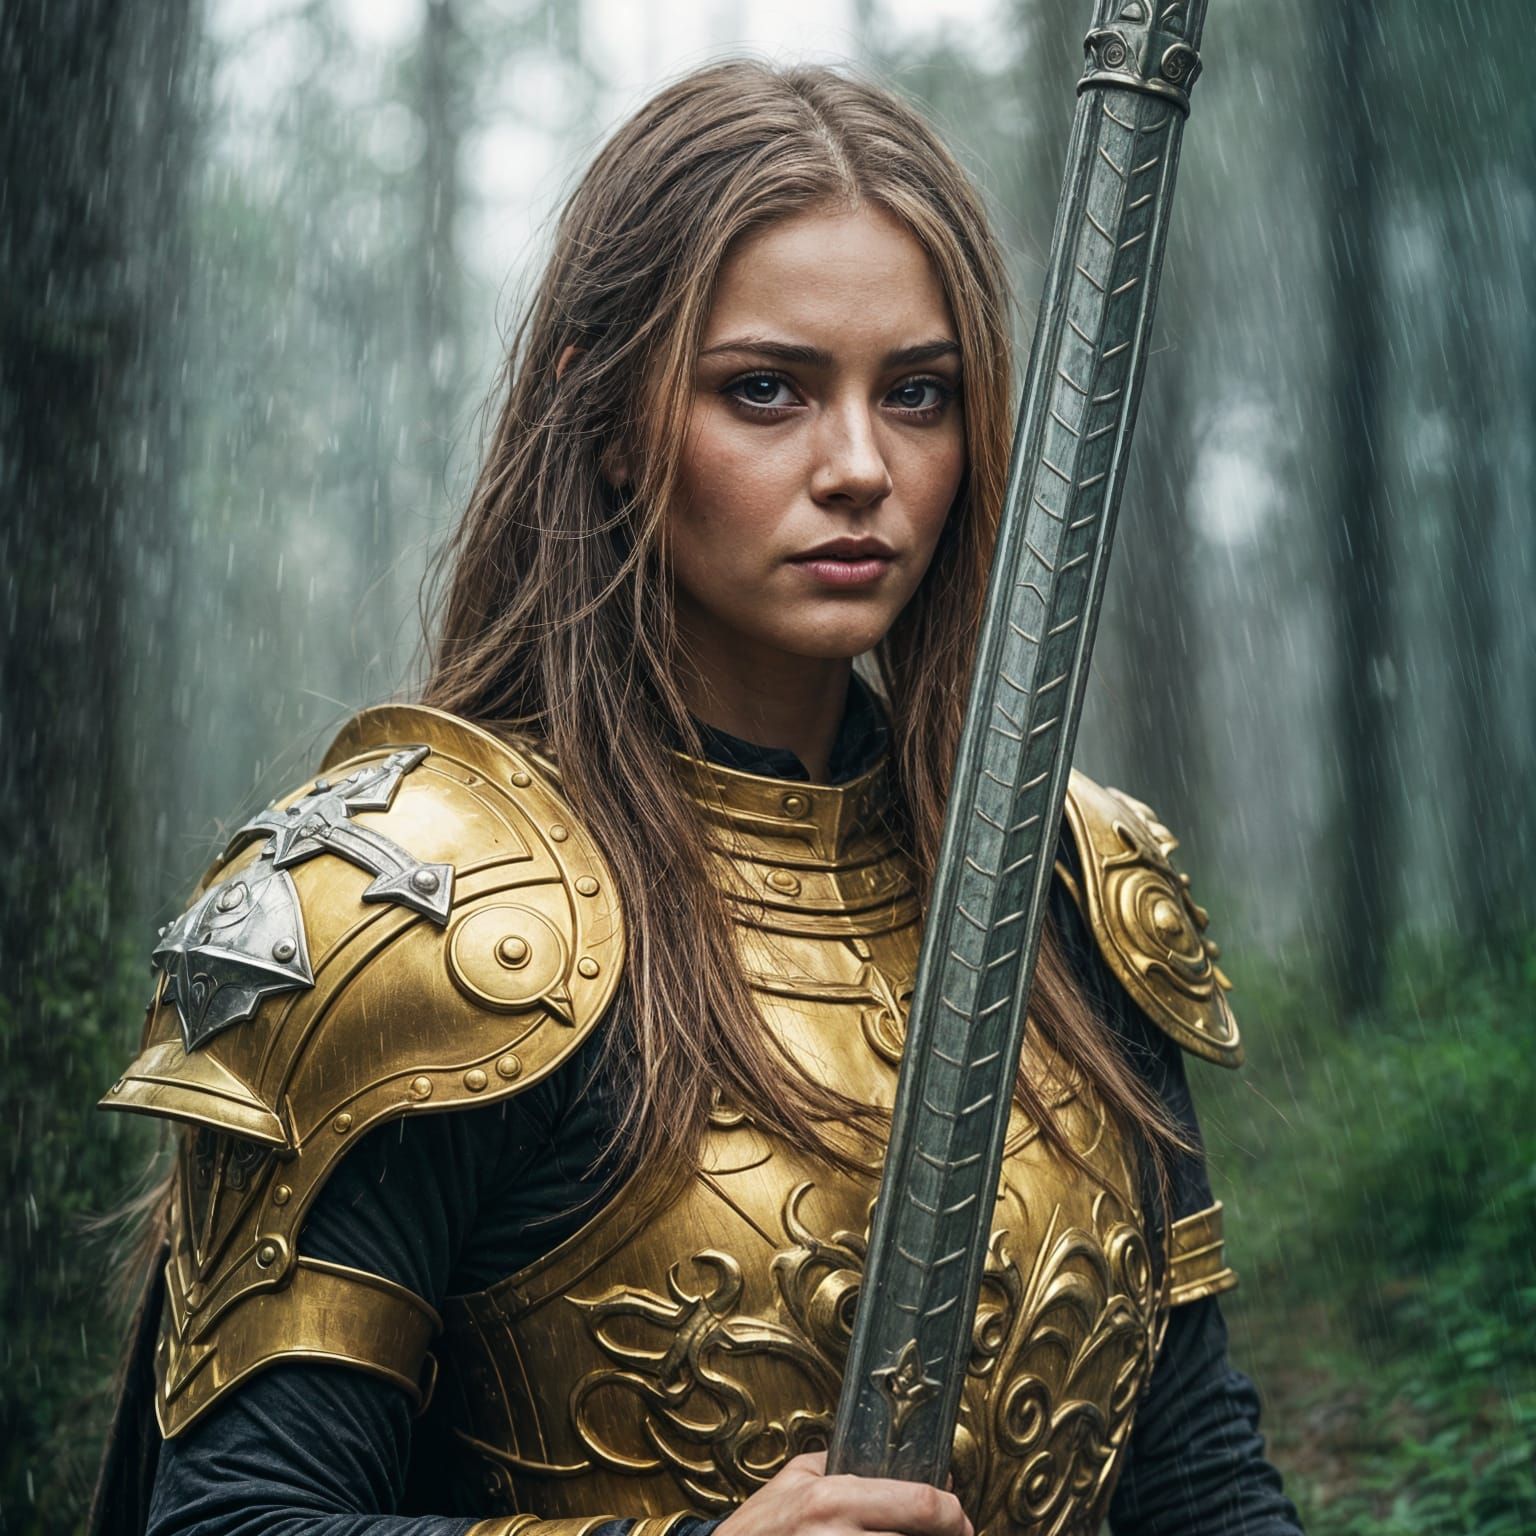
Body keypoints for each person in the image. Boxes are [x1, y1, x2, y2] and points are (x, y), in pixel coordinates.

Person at [94, 60, 1303, 1536]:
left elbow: (1202, 1487)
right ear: (604, 415)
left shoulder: (1070, 892)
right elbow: (232, 1522)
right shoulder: (419, 914)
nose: (861, 467)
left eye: (918, 393)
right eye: (766, 391)